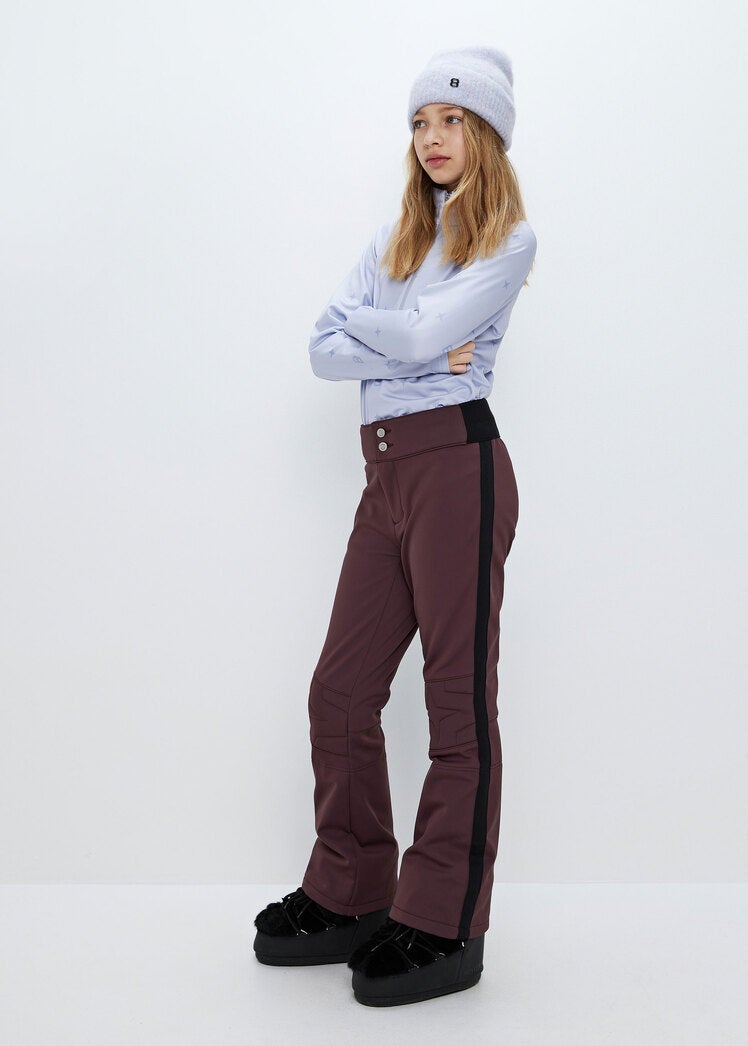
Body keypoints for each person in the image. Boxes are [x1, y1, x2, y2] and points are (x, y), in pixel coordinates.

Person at [253, 45, 537, 1007]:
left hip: (458, 468)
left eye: (451, 120)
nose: (431, 137)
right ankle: (352, 889)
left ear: (485, 132)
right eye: (420, 122)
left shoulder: (508, 241)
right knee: (339, 692)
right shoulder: (396, 240)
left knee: (457, 705)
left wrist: (384, 333)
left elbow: (381, 335)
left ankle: (447, 922)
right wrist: (412, 341)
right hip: (384, 477)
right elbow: (324, 346)